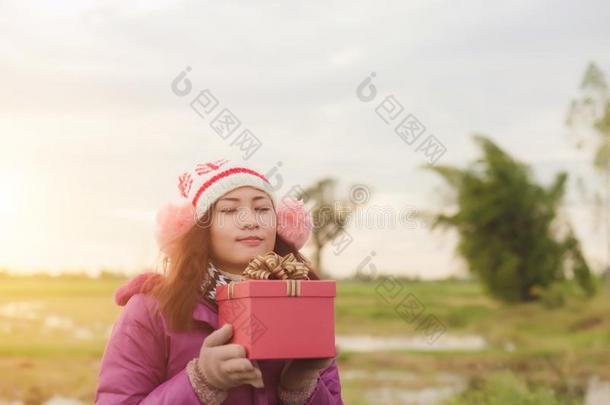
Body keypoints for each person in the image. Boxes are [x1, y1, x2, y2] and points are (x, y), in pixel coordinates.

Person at [94, 159, 343, 404]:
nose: (250, 221)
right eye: (229, 210)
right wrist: (200, 382)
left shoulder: (303, 304)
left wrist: (300, 386)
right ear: (200, 227)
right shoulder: (150, 310)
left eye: (262, 209)